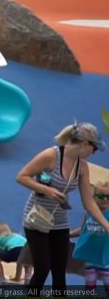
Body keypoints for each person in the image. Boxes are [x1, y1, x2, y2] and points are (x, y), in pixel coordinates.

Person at [17, 122, 109, 294]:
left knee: (60, 270)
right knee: (43, 268)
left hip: (59, 220)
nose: (93, 153)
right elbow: (22, 176)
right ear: (84, 144)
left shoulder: (82, 166)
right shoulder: (50, 155)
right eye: (94, 149)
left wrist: (106, 225)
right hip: (37, 218)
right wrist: (47, 190)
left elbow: (88, 201)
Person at [73, 181, 109, 293]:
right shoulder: (88, 213)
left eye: (108, 197)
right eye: (101, 196)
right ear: (93, 197)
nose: (105, 199)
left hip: (106, 261)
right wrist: (68, 234)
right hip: (90, 260)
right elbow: (83, 229)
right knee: (89, 288)